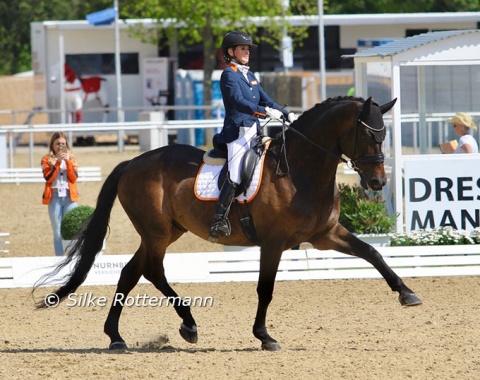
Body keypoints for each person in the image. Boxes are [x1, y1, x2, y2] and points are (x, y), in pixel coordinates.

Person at [208, 30, 297, 242]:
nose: (247, 52)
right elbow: (239, 102)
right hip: (237, 133)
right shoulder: (228, 74)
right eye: (242, 49)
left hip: (254, 132)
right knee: (236, 175)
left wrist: (286, 113)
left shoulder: (249, 75)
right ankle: (219, 220)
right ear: (231, 52)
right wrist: (263, 112)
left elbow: (266, 100)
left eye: (248, 49)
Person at [42, 132, 79, 255]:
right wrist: (58, 162)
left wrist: (67, 162)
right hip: (55, 197)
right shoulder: (46, 159)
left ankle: (72, 257)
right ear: (52, 145)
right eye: (58, 144)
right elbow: (49, 178)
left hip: (70, 197)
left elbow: (74, 178)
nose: (60, 146)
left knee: (71, 230)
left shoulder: (71, 159)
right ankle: (59, 258)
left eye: (63, 144)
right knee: (57, 232)